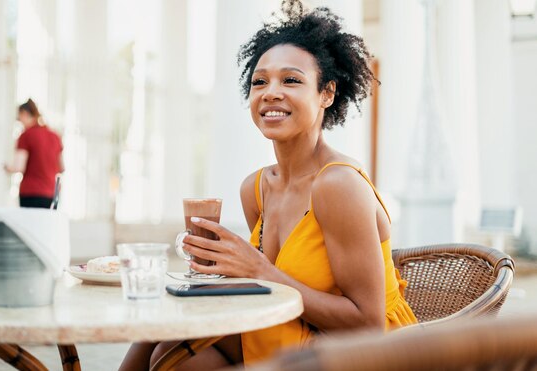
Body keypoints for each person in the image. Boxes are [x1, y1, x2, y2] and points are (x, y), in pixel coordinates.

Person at [120, 1, 417, 369]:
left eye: (291, 80)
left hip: (356, 354)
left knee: (174, 354)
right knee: (165, 334)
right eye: (260, 82)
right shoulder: (257, 188)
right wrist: (223, 271)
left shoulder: (338, 185)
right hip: (293, 332)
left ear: (326, 93)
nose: (270, 93)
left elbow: (367, 324)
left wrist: (259, 270)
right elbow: (271, 290)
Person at [4, 98, 64, 208]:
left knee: (29, 225)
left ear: (25, 114)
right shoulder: (55, 136)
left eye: (19, 118)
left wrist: (7, 168)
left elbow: (19, 167)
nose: (19, 122)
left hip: (31, 193)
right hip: (51, 194)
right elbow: (62, 168)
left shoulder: (26, 136)